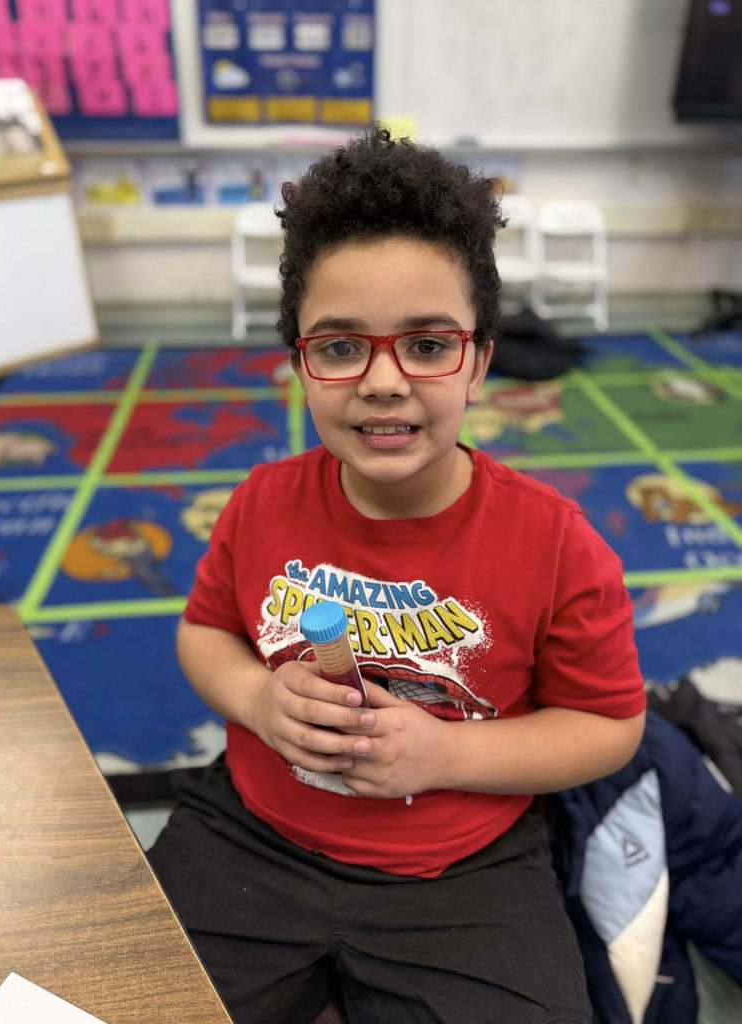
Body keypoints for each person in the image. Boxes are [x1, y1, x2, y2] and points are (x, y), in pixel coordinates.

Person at [149, 127, 646, 1024]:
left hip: (464, 872)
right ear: (299, 361)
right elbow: (204, 633)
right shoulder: (262, 502)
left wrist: (450, 752)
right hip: (252, 839)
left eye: (426, 344)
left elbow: (609, 725)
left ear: (481, 360)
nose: (382, 381)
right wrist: (259, 703)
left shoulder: (556, 543)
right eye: (340, 347)